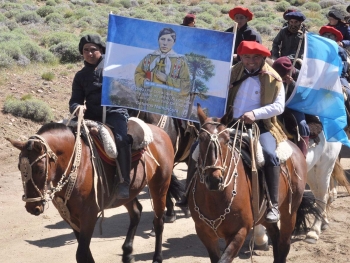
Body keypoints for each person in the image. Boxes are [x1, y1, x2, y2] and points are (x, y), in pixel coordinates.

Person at [227, 41, 287, 223]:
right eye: (246, 57)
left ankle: (273, 205)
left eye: (255, 57)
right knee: (200, 146)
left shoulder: (273, 78)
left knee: (269, 155)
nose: (250, 61)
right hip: (230, 122)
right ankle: (188, 192)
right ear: (241, 57)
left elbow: (279, 106)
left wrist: (255, 113)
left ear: (263, 58)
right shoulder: (231, 73)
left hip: (259, 126)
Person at [69, 34, 131, 199]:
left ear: (102, 50)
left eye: (93, 50)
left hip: (115, 112)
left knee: (121, 139)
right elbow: (74, 100)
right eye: (85, 50)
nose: (89, 53)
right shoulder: (80, 76)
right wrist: (77, 107)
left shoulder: (115, 68)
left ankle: (124, 181)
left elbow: (130, 90)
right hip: (92, 115)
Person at [134, 28, 191, 117]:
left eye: (169, 40)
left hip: (168, 107)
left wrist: (167, 79)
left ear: (174, 43)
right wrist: (144, 81)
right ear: (158, 40)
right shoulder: (149, 58)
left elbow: (186, 85)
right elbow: (138, 73)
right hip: (148, 103)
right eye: (162, 39)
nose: (165, 43)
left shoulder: (180, 62)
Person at [272, 56, 310, 157]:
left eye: (283, 77)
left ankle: (303, 153)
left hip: (295, 106)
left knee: (302, 124)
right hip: (279, 105)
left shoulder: (301, 75)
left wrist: (292, 84)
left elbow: (304, 94)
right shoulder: (275, 75)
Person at [319, 26, 350, 96]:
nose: (328, 37)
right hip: (319, 76)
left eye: (331, 36)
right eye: (326, 35)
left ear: (335, 39)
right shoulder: (318, 49)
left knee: (347, 93)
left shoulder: (340, 50)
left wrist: (335, 79)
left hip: (337, 77)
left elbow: (343, 67)